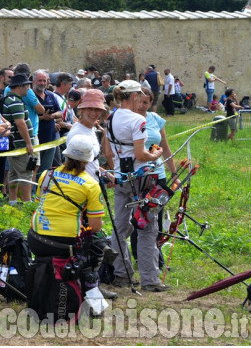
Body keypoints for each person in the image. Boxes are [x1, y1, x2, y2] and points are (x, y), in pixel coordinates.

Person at [30, 135, 116, 299]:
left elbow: (41, 202)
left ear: (66, 154)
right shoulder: (90, 184)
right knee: (95, 242)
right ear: (88, 161)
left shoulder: (47, 175)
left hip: (35, 238)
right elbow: (95, 226)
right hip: (64, 244)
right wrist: (85, 226)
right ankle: (92, 289)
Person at [106, 80, 165, 292]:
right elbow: (141, 155)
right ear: (134, 96)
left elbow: (109, 151)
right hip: (142, 177)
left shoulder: (111, 117)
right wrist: (156, 154)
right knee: (148, 227)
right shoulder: (138, 121)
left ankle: (122, 274)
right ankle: (150, 279)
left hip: (122, 177)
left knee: (120, 228)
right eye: (139, 96)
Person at [130, 86, 177, 270]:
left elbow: (165, 147)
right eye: (139, 101)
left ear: (150, 103)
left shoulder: (156, 119)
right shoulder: (129, 120)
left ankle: (155, 257)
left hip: (158, 176)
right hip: (139, 176)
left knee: (156, 218)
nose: (142, 105)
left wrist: (173, 173)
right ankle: (140, 257)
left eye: (146, 102)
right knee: (139, 218)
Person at [1, 74, 36, 204]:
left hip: (14, 143)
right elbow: (21, 123)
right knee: (25, 173)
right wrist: (28, 143)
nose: (29, 89)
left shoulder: (10, 99)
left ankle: (13, 200)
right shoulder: (15, 101)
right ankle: (27, 202)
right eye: (27, 86)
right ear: (21, 86)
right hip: (19, 143)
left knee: (13, 173)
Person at [65, 89, 107, 180]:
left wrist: (104, 174)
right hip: (83, 188)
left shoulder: (89, 128)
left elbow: (90, 163)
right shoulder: (78, 135)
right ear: (82, 109)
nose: (93, 113)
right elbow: (75, 168)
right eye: (89, 109)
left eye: (97, 109)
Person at [34, 70, 60, 175]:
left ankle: (42, 190)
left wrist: (53, 116)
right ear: (34, 81)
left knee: (46, 171)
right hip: (36, 139)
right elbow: (27, 117)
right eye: (40, 80)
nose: (42, 83)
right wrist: (42, 118)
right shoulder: (30, 96)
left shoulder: (51, 95)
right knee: (34, 169)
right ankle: (33, 191)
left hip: (51, 139)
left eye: (44, 81)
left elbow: (60, 112)